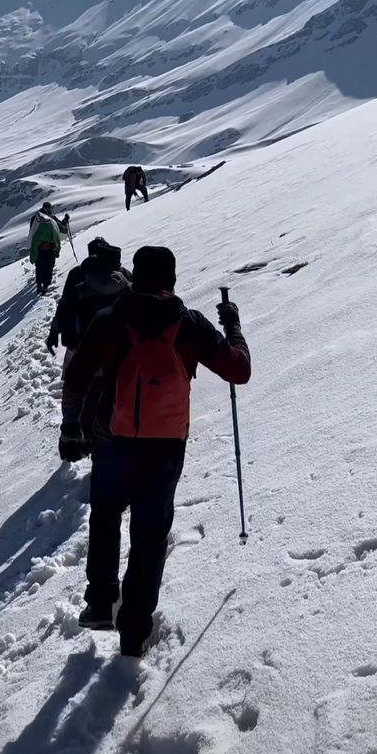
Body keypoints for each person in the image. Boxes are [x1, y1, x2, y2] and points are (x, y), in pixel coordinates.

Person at [59, 246, 251, 657]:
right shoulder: (190, 325)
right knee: (149, 537)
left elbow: (75, 377)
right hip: (164, 447)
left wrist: (71, 426)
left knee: (107, 513)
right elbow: (239, 370)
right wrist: (232, 324)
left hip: (112, 436)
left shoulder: (110, 320)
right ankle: (133, 634)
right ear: (172, 280)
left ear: (134, 277)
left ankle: (99, 601)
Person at [46, 238, 131, 367]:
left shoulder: (77, 273)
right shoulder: (124, 276)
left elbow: (65, 305)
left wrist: (54, 331)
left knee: (75, 376)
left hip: (82, 340)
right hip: (120, 344)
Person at [28, 202, 69, 295]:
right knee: (49, 266)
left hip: (38, 247)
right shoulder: (51, 218)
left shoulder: (35, 218)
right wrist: (66, 221)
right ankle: (45, 287)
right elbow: (63, 229)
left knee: (39, 267)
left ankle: (39, 285)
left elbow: (32, 232)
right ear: (50, 208)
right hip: (50, 247)